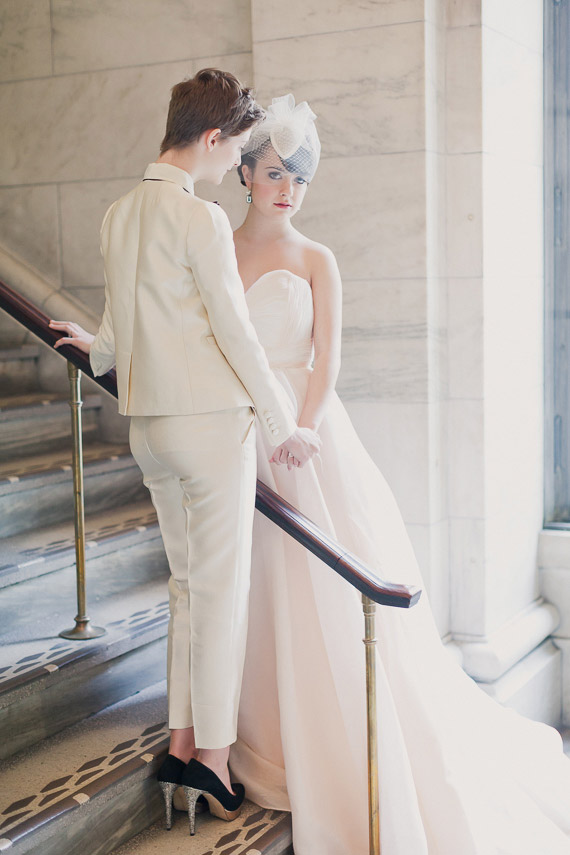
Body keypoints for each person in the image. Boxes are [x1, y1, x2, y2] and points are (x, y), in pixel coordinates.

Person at [228, 95, 570, 854]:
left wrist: (304, 429)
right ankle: (264, 741)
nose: (288, 189)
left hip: (305, 442)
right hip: (233, 436)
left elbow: (328, 359)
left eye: (301, 178)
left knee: (322, 587)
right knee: (256, 591)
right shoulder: (217, 246)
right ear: (245, 173)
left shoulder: (316, 258)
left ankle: (332, 747)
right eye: (276, 172)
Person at [48, 70, 321, 836]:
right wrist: (281, 424)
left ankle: (178, 744)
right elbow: (232, 332)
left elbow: (123, 317)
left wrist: (92, 346)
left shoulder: (117, 212)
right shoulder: (196, 219)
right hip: (209, 427)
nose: (231, 159)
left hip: (149, 429)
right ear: (211, 140)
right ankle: (214, 760)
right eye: (234, 146)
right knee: (220, 592)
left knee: (184, 587)